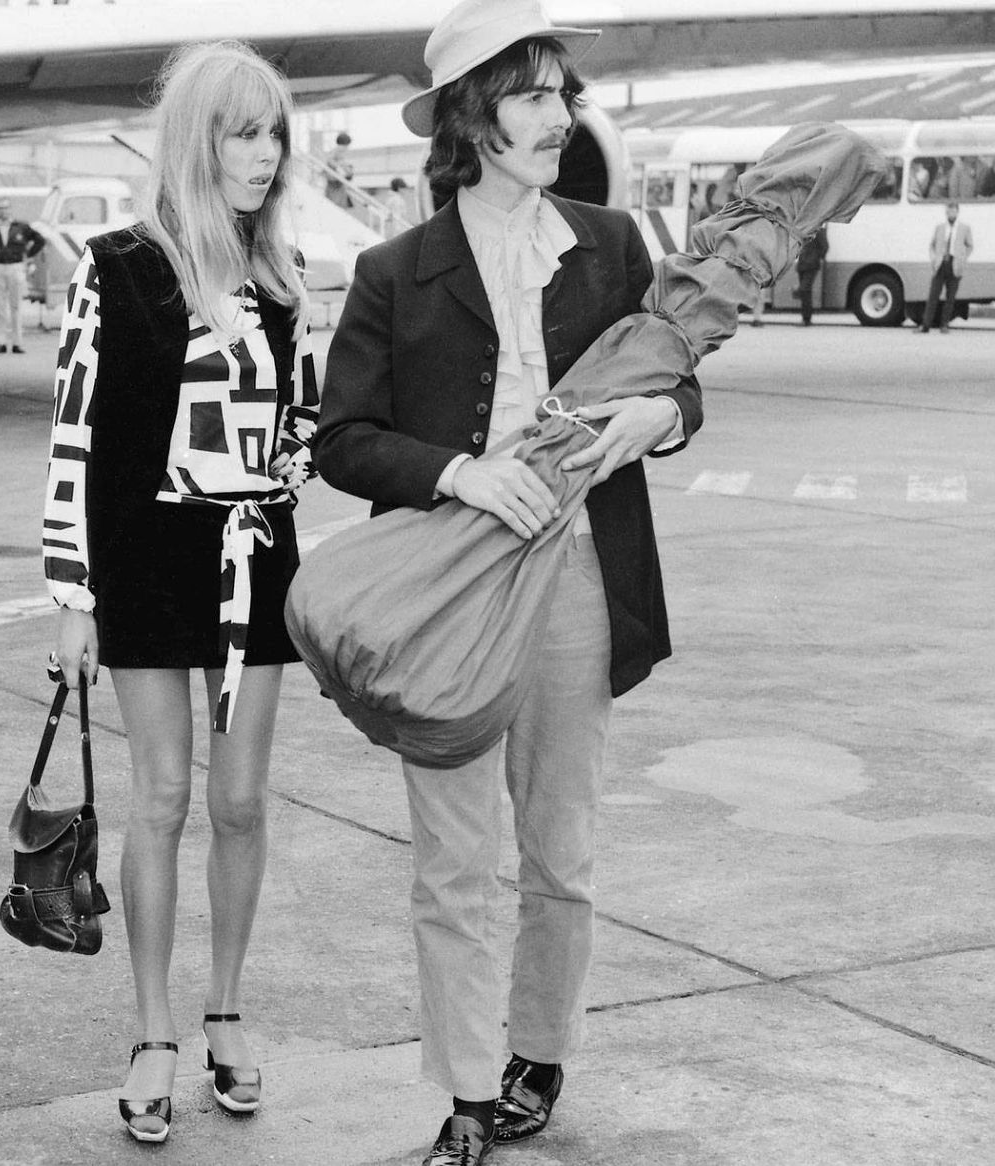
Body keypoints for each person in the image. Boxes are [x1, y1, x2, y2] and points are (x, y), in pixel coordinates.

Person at [318, 2, 703, 1161]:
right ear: (474, 117)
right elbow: (340, 436)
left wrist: (655, 417)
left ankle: (537, 1050)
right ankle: (466, 1089)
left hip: (581, 573)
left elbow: (678, 387)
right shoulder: (394, 269)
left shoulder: (610, 243)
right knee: (452, 856)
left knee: (558, 844)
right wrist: (458, 475)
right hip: (449, 587)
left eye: (559, 92)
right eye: (534, 93)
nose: (559, 114)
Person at [42, 41, 318, 1145]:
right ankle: (152, 1029)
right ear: (194, 141)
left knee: (240, 799)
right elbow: (70, 433)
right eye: (241, 133)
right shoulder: (113, 265)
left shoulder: (282, 274)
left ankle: (227, 1010)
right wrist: (69, 588)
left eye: (272, 134)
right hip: (146, 560)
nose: (262, 154)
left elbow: (298, 415)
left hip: (254, 556)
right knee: (159, 797)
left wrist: (291, 458)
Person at [0, 197, 44, 353]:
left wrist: (28, 255)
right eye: (1, 208)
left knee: (15, 306)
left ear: (10, 209)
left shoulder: (21, 227)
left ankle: (17, 343)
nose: (4, 211)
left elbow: (40, 240)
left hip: (16, 267)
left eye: (6, 208)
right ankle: (1, 342)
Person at [918, 200, 973, 334]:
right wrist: (933, 258)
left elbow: (970, 245)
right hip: (940, 264)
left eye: (954, 211)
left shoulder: (964, 228)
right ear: (946, 212)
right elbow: (932, 245)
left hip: (955, 265)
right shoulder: (940, 227)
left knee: (950, 298)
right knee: (933, 296)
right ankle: (926, 325)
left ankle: (944, 325)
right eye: (949, 211)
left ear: (957, 212)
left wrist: (962, 258)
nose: (951, 213)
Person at [795, 225, 828, 326]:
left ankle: (806, 318)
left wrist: (816, 258)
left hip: (810, 264)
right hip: (803, 264)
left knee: (804, 290)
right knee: (805, 292)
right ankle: (806, 318)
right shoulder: (805, 229)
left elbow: (825, 247)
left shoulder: (817, 230)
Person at [325, 128, 356, 207]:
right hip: (335, 181)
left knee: (339, 202)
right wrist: (340, 168)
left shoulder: (338, 151)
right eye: (346, 145)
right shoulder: (337, 150)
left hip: (337, 181)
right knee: (336, 203)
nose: (346, 148)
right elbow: (330, 161)